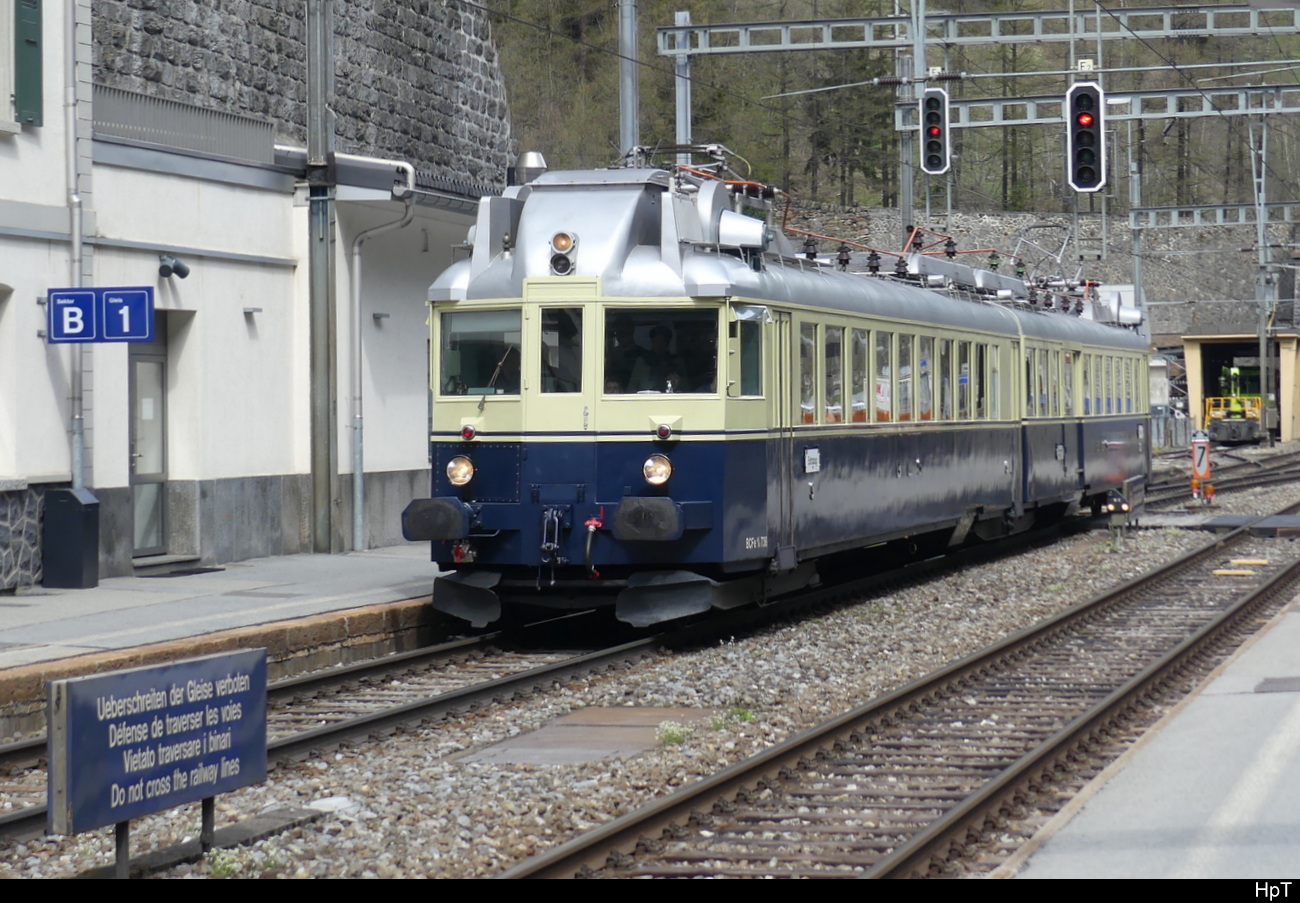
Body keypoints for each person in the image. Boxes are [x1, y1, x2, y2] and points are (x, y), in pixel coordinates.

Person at [628, 324, 687, 392]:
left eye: (662, 342)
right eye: (656, 341)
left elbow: (685, 388)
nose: (659, 345)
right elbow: (632, 388)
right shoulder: (642, 362)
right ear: (652, 342)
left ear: (667, 343)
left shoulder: (677, 362)